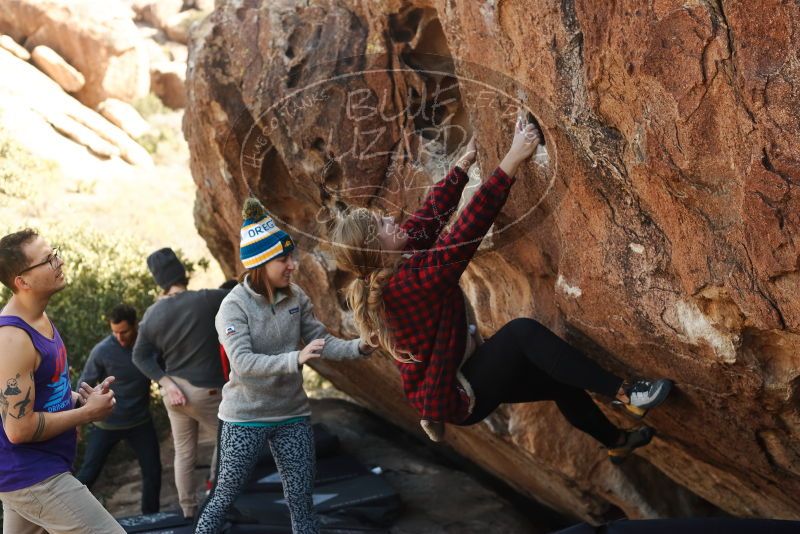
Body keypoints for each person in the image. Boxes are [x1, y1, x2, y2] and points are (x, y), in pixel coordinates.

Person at [330, 117, 673, 462]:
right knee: (522, 334)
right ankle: (629, 394)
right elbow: (464, 233)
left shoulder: (398, 257)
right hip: (459, 392)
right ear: (377, 251)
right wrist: (512, 158)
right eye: (381, 225)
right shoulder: (405, 285)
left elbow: (430, 217)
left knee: (558, 378)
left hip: (461, 366)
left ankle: (616, 441)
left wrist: (463, 165)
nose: (390, 219)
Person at [195, 198, 373, 534]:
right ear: (261, 263)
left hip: (292, 415)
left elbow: (323, 342)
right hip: (244, 417)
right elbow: (244, 364)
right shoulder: (232, 308)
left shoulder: (297, 297)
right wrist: (296, 358)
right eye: (284, 259)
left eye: (291, 257)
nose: (293, 265)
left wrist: (361, 347)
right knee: (224, 498)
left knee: (302, 503)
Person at [0, 229, 125, 533]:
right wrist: (87, 414)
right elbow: (19, 428)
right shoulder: (13, 339)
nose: (60, 262)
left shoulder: (39, 317)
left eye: (55, 253)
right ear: (23, 281)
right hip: (34, 476)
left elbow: (42, 388)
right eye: (48, 260)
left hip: (32, 471)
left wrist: (76, 399)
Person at [132, 248, 228, 519]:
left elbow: (139, 356)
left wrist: (165, 383)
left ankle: (188, 510)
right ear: (182, 273)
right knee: (229, 442)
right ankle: (216, 499)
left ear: (159, 280)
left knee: (184, 453)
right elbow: (243, 294)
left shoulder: (152, 313)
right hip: (205, 391)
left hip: (174, 394)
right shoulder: (208, 299)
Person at [76, 304, 162, 515]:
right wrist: (77, 420)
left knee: (153, 473)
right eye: (115, 332)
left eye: (124, 332)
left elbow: (164, 374)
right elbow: (83, 386)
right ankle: (70, 521)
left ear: (135, 326)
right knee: (87, 475)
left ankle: (150, 519)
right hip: (107, 424)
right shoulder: (102, 350)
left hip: (140, 422)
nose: (119, 337)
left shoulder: (148, 345)